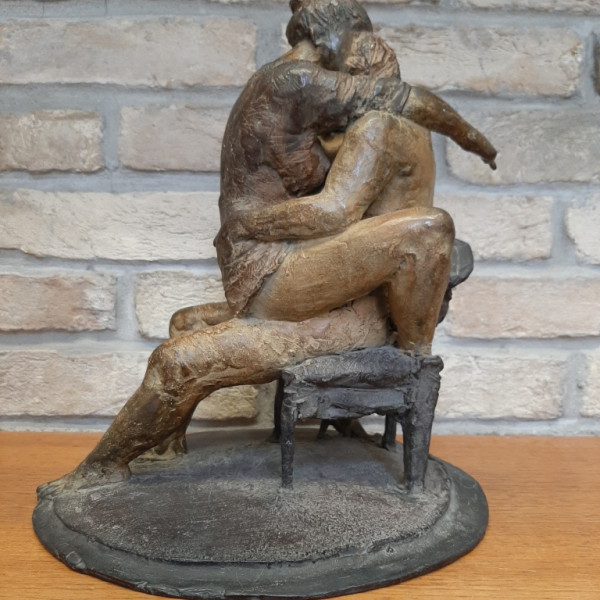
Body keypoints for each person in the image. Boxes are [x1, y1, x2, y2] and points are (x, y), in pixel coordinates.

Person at [39, 0, 495, 495]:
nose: (330, 117)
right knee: (186, 325)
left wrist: (249, 222)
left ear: (358, 80)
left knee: (179, 361)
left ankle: (103, 465)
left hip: (356, 305)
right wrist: (472, 139)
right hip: (336, 284)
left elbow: (336, 213)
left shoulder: (375, 127)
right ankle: (161, 449)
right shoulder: (380, 127)